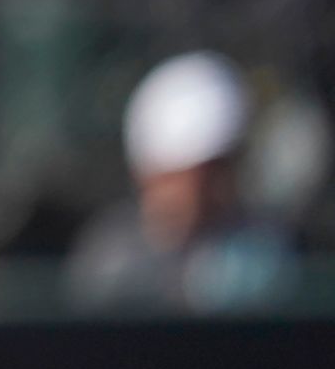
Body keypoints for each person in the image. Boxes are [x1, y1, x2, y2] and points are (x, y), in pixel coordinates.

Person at [65, 50, 297, 312]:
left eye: (223, 167)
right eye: (199, 173)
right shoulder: (112, 260)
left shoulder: (267, 252)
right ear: (150, 175)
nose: (214, 189)